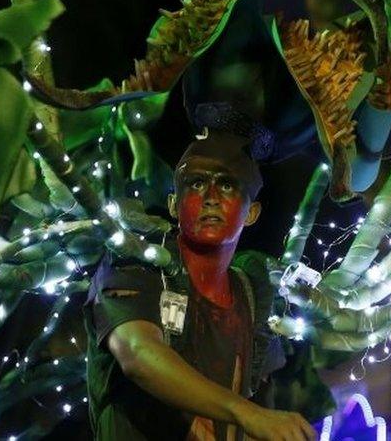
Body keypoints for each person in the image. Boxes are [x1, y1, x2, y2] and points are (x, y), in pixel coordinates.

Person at [84, 130, 316, 441]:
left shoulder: (251, 293)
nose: (210, 197)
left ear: (252, 213)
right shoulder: (138, 263)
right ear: (173, 204)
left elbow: (260, 410)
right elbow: (137, 352)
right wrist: (246, 413)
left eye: (226, 184)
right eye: (196, 183)